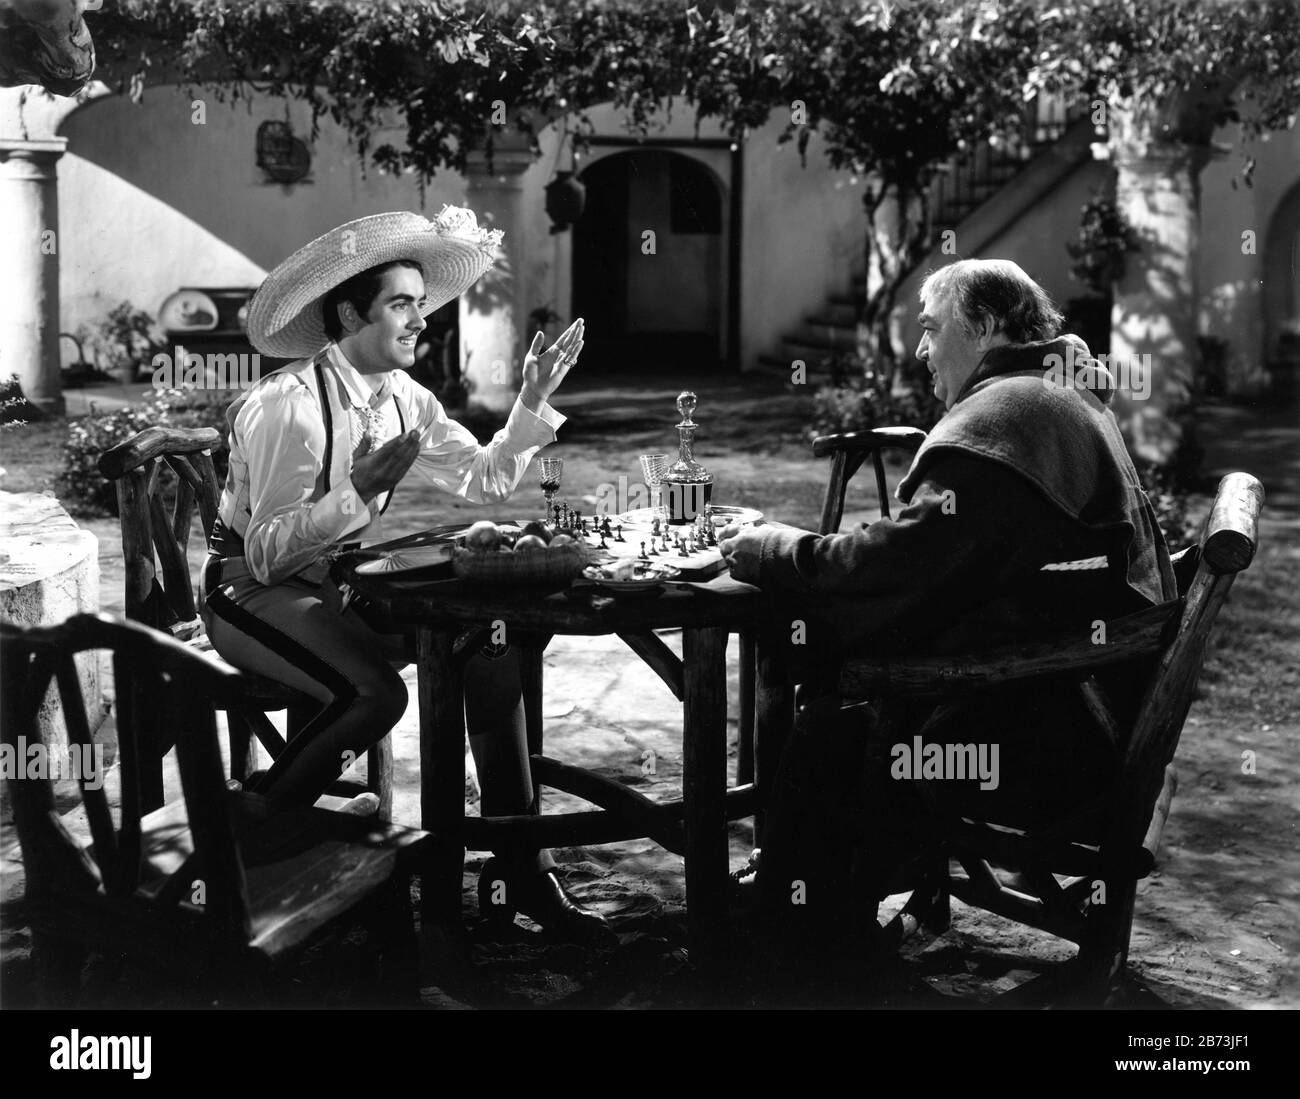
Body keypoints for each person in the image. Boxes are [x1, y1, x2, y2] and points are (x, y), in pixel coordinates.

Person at [719, 259, 1176, 967]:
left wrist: (780, 550)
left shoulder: (1010, 416)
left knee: (831, 706)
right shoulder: (1057, 390)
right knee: (832, 669)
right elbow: (944, 563)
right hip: (1090, 710)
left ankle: (800, 925)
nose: (921, 350)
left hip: (1051, 752)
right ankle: (799, 894)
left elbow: (893, 571)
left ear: (987, 326)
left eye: (932, 330)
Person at [200, 207, 609, 942]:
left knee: (491, 644)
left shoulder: (405, 400)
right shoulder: (287, 408)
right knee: (376, 692)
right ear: (351, 313)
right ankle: (253, 827)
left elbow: (486, 480)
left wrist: (532, 399)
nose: (421, 321)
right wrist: (353, 495)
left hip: (327, 581)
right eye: (401, 304)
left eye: (421, 304)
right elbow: (262, 554)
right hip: (247, 593)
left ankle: (521, 867)